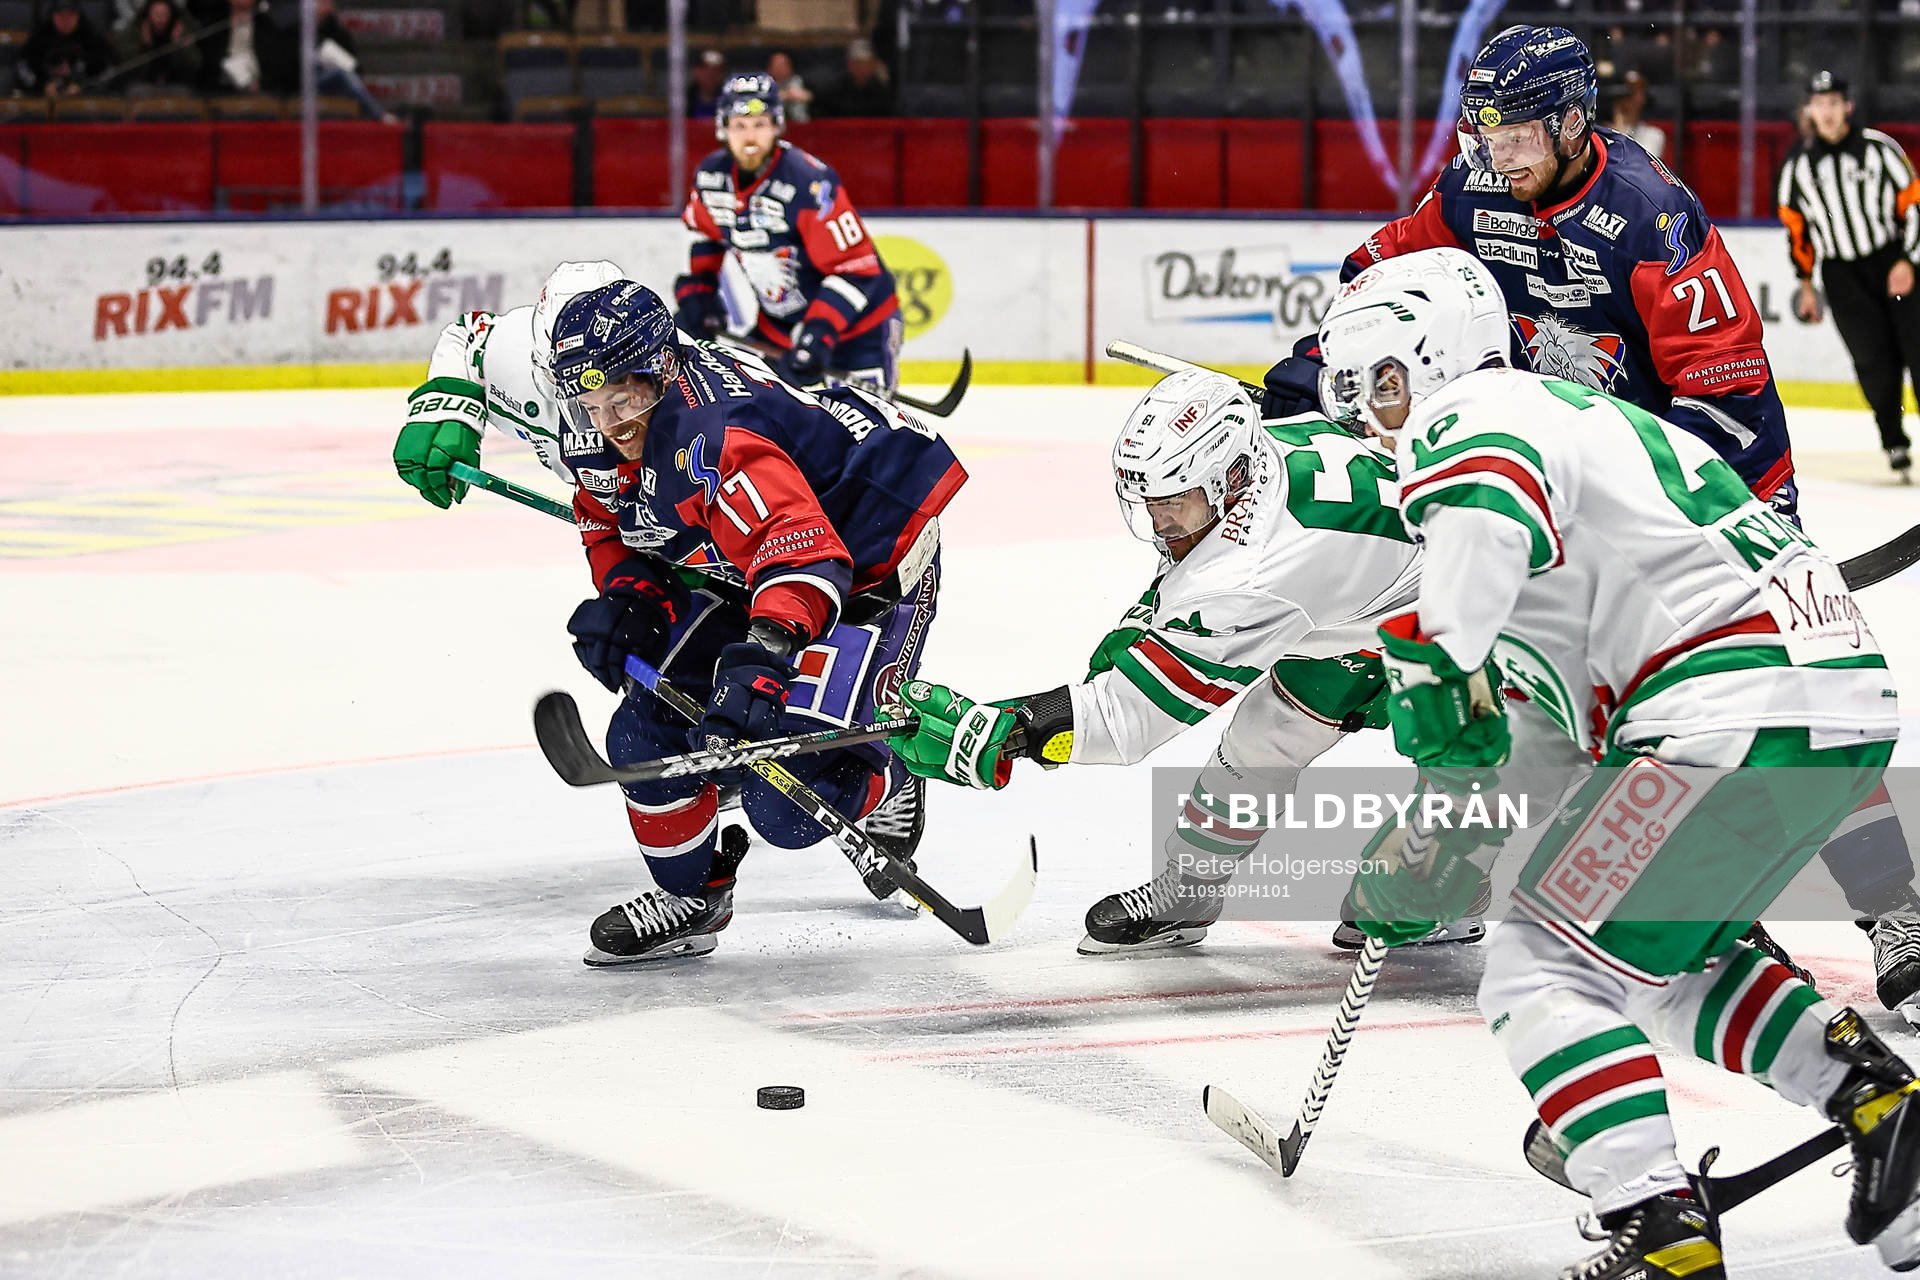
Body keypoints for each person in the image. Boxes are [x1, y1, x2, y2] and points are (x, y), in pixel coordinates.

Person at [1274, 22, 1920, 1007]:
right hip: (1563, 476)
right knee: (1542, 685)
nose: (1498, 156)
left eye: (1519, 135)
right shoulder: (1470, 191)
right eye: (1483, 134)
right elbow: (1381, 277)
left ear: (1575, 122)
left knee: (1781, 689)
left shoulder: (1650, 213)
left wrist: (1669, 520)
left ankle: (1894, 905)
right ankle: (1491, 886)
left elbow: (1725, 391)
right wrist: (1311, 377)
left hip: (1706, 476)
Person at [1322, 246, 1919, 1280]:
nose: (1375, 417)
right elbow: (1544, 754)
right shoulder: (1570, 433)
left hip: (1729, 700)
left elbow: (1473, 565)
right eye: (1354, 394)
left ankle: (1660, 1231)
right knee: (1660, 969)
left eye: (1380, 383)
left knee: (1538, 966)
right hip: (1817, 701)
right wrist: (1438, 837)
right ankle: (1880, 1103)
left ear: (1435, 355)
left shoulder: (1476, 416)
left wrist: (1443, 676)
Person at [887, 369, 1533, 953]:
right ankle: (1189, 889)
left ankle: (1455, 890)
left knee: (1469, 767)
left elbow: (1126, 720)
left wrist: (1007, 732)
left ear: (1228, 480)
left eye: (1177, 501)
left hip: (1494, 615)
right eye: (1151, 502)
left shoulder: (1255, 574)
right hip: (1369, 606)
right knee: (1264, 737)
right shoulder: (1258, 460)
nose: (1161, 521)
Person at [544, 280, 965, 964]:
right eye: (591, 405)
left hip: (869, 559)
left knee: (787, 807)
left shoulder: (712, 436)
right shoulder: (600, 428)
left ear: (661, 368)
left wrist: (761, 656)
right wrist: (629, 591)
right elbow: (605, 512)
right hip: (751, 564)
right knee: (641, 733)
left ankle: (889, 769)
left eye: (623, 399)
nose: (608, 423)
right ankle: (694, 898)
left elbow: (808, 557)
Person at [673, 73, 904, 395]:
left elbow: (856, 271)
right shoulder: (712, 177)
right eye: (740, 125)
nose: (750, 136)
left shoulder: (809, 183)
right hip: (777, 334)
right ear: (722, 128)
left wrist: (819, 331)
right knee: (758, 426)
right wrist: (701, 291)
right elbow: (706, 235)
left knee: (868, 435)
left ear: (777, 125)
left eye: (760, 124)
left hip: (858, 333)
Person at [1779, 70, 1920, 480]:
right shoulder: (1797, 167)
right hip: (1842, 275)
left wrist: (1907, 261)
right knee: (1873, 361)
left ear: (1847, 107)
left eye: (1833, 103)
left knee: (1918, 351)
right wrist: (1806, 285)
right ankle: (1894, 440)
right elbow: (1798, 232)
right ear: (1809, 110)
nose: (1825, 112)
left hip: (1892, 261)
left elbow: (1913, 206)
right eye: (1818, 104)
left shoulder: (1880, 149)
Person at [393, 259, 627, 505]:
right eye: (566, 375)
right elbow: (467, 337)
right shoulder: (513, 356)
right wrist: (449, 413)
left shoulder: (666, 377)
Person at [16, 0, 114, 97]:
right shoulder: (39, 36)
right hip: (42, 101)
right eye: (61, 16)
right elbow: (23, 67)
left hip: (86, 102)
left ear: (78, 16)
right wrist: (42, 86)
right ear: (53, 16)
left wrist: (82, 86)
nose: (65, 20)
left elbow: (105, 70)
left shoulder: (91, 36)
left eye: (70, 15)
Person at [111, 0, 199, 94]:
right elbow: (127, 66)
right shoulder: (136, 32)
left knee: (185, 92)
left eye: (164, 14)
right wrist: (145, 44)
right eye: (157, 14)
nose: (160, 18)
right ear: (148, 14)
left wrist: (179, 45)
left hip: (174, 85)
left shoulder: (180, 31)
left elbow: (194, 64)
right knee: (135, 90)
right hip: (143, 85)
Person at [814, 37, 892, 118]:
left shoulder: (881, 91)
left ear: (873, 65)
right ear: (849, 64)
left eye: (866, 63)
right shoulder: (834, 90)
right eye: (857, 63)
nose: (862, 67)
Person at [1606, 70, 1665, 159]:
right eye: (1629, 92)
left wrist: (1620, 134)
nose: (1634, 98)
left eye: (1638, 91)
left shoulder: (1653, 135)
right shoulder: (1604, 133)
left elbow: (1639, 164)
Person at [766, 49, 812, 124]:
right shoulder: (763, 82)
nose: (780, 69)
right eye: (777, 65)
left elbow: (810, 95)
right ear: (769, 68)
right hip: (772, 124)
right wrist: (784, 95)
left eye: (783, 65)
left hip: (800, 124)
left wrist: (805, 95)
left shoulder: (799, 80)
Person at [687, 47, 726, 118]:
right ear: (696, 71)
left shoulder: (729, 101)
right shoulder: (683, 101)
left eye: (716, 69)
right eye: (705, 68)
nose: (711, 74)